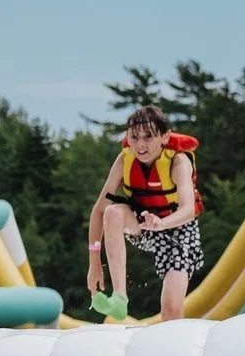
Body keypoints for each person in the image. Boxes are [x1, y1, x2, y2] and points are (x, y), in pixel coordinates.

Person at [87, 105, 203, 324]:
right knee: (111, 212)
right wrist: (94, 263)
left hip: (179, 231)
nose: (140, 145)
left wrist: (162, 223)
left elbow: (188, 210)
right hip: (144, 224)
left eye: (148, 137)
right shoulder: (124, 161)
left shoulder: (178, 163)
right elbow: (98, 211)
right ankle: (120, 297)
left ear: (164, 136)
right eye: (134, 137)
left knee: (171, 311)